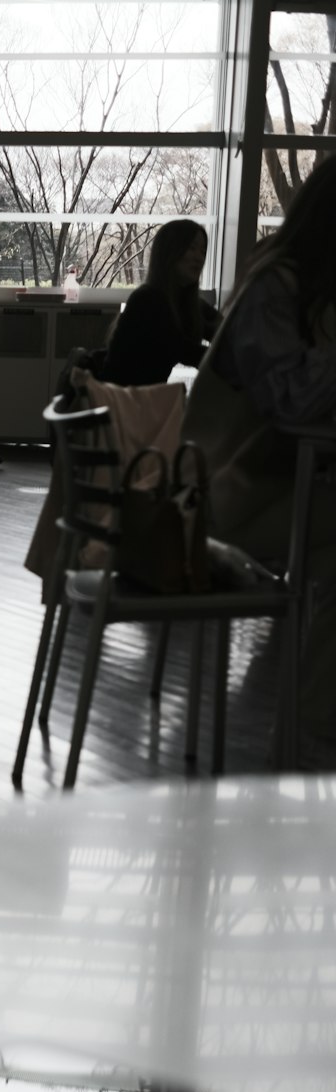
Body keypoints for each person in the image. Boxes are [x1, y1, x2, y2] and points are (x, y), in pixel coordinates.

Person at [181, 154, 336, 761]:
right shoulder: (277, 289)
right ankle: (310, 733)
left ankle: (307, 734)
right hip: (220, 500)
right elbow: (293, 402)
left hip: (265, 490)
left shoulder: (303, 291)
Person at [100, 219, 219, 387]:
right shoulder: (147, 300)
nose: (199, 258)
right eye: (192, 248)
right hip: (120, 404)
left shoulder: (188, 304)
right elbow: (185, 352)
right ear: (170, 252)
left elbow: (225, 329)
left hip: (143, 402)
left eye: (203, 250)